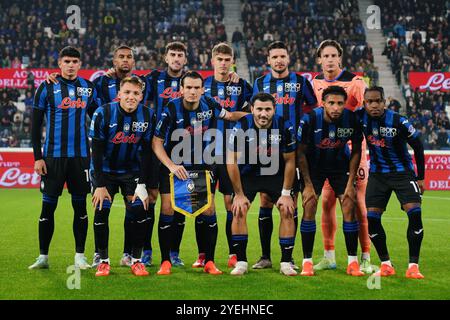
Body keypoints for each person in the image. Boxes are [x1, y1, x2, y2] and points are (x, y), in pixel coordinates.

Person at [152, 71, 246, 276]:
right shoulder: (170, 109)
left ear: (202, 89)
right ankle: (165, 261)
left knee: (208, 211)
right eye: (189, 87)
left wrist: (253, 115)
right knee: (167, 210)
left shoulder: (210, 104)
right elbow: (157, 143)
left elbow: (229, 116)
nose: (193, 91)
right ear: (182, 89)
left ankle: (209, 261)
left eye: (197, 88)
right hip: (174, 167)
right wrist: (170, 166)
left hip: (202, 166)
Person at [29, 46, 98, 270]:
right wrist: (38, 157)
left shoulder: (88, 88)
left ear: (80, 64)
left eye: (74, 61)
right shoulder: (46, 87)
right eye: (66, 61)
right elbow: (35, 125)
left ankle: (79, 256)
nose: (70, 65)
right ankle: (43, 257)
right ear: (59, 63)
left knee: (81, 208)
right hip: (52, 159)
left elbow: (101, 116)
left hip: (80, 158)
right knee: (48, 208)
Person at [252, 41, 317, 269]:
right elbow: (253, 110)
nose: (279, 60)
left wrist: (302, 129)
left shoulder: (300, 82)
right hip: (266, 149)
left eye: (282, 56)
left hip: (294, 149)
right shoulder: (260, 83)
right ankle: (265, 256)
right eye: (274, 57)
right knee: (265, 200)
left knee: (291, 202)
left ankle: (287, 258)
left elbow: (312, 107)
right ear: (268, 60)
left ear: (288, 58)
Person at [312, 39, 372, 273]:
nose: (329, 60)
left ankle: (365, 257)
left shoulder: (355, 82)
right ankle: (329, 256)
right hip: (327, 152)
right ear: (319, 59)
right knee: (326, 203)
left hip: (353, 152)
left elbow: (368, 109)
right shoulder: (315, 82)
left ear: (340, 58)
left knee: (357, 203)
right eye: (325, 56)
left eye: (333, 56)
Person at [193, 42, 252, 269]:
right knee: (202, 205)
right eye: (220, 59)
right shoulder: (203, 85)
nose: (224, 63)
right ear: (212, 61)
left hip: (232, 153)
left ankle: (233, 254)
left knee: (230, 203)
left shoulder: (242, 85)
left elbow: (251, 114)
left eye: (228, 59)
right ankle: (202, 255)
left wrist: (229, 115)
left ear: (233, 61)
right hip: (204, 153)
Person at [89, 76, 154, 277]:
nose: (131, 97)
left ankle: (136, 260)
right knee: (102, 210)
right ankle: (103, 261)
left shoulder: (148, 115)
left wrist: (142, 184)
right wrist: (99, 185)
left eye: (135, 93)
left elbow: (147, 153)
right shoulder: (103, 113)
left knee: (140, 211)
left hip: (132, 172)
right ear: (119, 94)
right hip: (105, 172)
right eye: (127, 92)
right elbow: (96, 152)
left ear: (141, 96)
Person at [296, 85, 364, 277]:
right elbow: (300, 153)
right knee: (309, 205)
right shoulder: (309, 119)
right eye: (331, 103)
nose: (336, 107)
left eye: (340, 103)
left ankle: (353, 263)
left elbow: (357, 150)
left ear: (345, 104)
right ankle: (307, 262)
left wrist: (351, 183)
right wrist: (308, 185)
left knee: (349, 205)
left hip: (339, 166)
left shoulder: (351, 119)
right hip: (314, 167)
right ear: (323, 103)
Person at [227, 93, 297, 276]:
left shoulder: (284, 126)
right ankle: (241, 262)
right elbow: (231, 160)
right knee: (239, 209)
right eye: (259, 109)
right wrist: (239, 194)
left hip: (276, 174)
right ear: (251, 109)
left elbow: (290, 161)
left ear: (274, 109)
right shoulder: (241, 126)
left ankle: (285, 262)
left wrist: (286, 193)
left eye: (267, 109)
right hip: (248, 174)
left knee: (287, 209)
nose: (263, 113)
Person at [359, 86, 425, 279]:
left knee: (415, 214)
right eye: (369, 102)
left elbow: (418, 147)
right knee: (372, 219)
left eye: (377, 101)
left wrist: (420, 177)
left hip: (403, 174)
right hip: (378, 175)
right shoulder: (359, 118)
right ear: (365, 103)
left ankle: (413, 266)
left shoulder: (399, 121)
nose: (374, 105)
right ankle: (386, 264)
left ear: (384, 101)